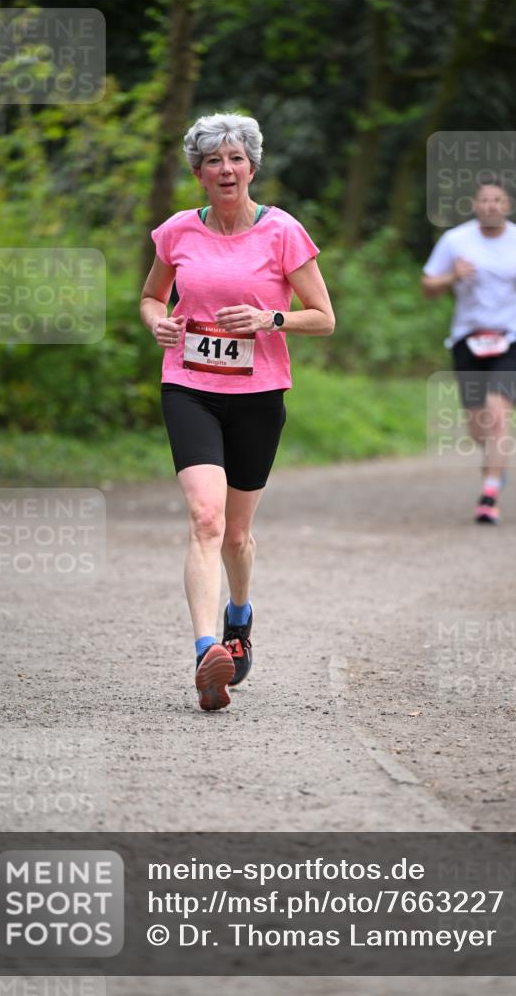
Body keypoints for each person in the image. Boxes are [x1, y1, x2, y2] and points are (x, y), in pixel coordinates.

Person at [140, 113, 335, 711]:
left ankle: (239, 618)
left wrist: (269, 319)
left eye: (235, 159)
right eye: (212, 161)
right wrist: (159, 324)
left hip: (257, 397)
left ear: (252, 166)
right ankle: (207, 654)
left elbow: (323, 317)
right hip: (190, 388)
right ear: (198, 173)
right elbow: (151, 297)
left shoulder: (282, 233)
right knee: (206, 519)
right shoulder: (176, 232)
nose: (225, 170)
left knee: (238, 534)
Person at [421, 180, 516, 524]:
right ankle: (495, 464)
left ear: (507, 205)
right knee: (478, 427)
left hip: (513, 337)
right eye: (484, 201)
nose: (490, 206)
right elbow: (428, 285)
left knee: (498, 415)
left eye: (497, 200)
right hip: (467, 338)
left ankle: (490, 492)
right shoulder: (455, 240)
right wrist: (452, 276)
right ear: (475, 205)